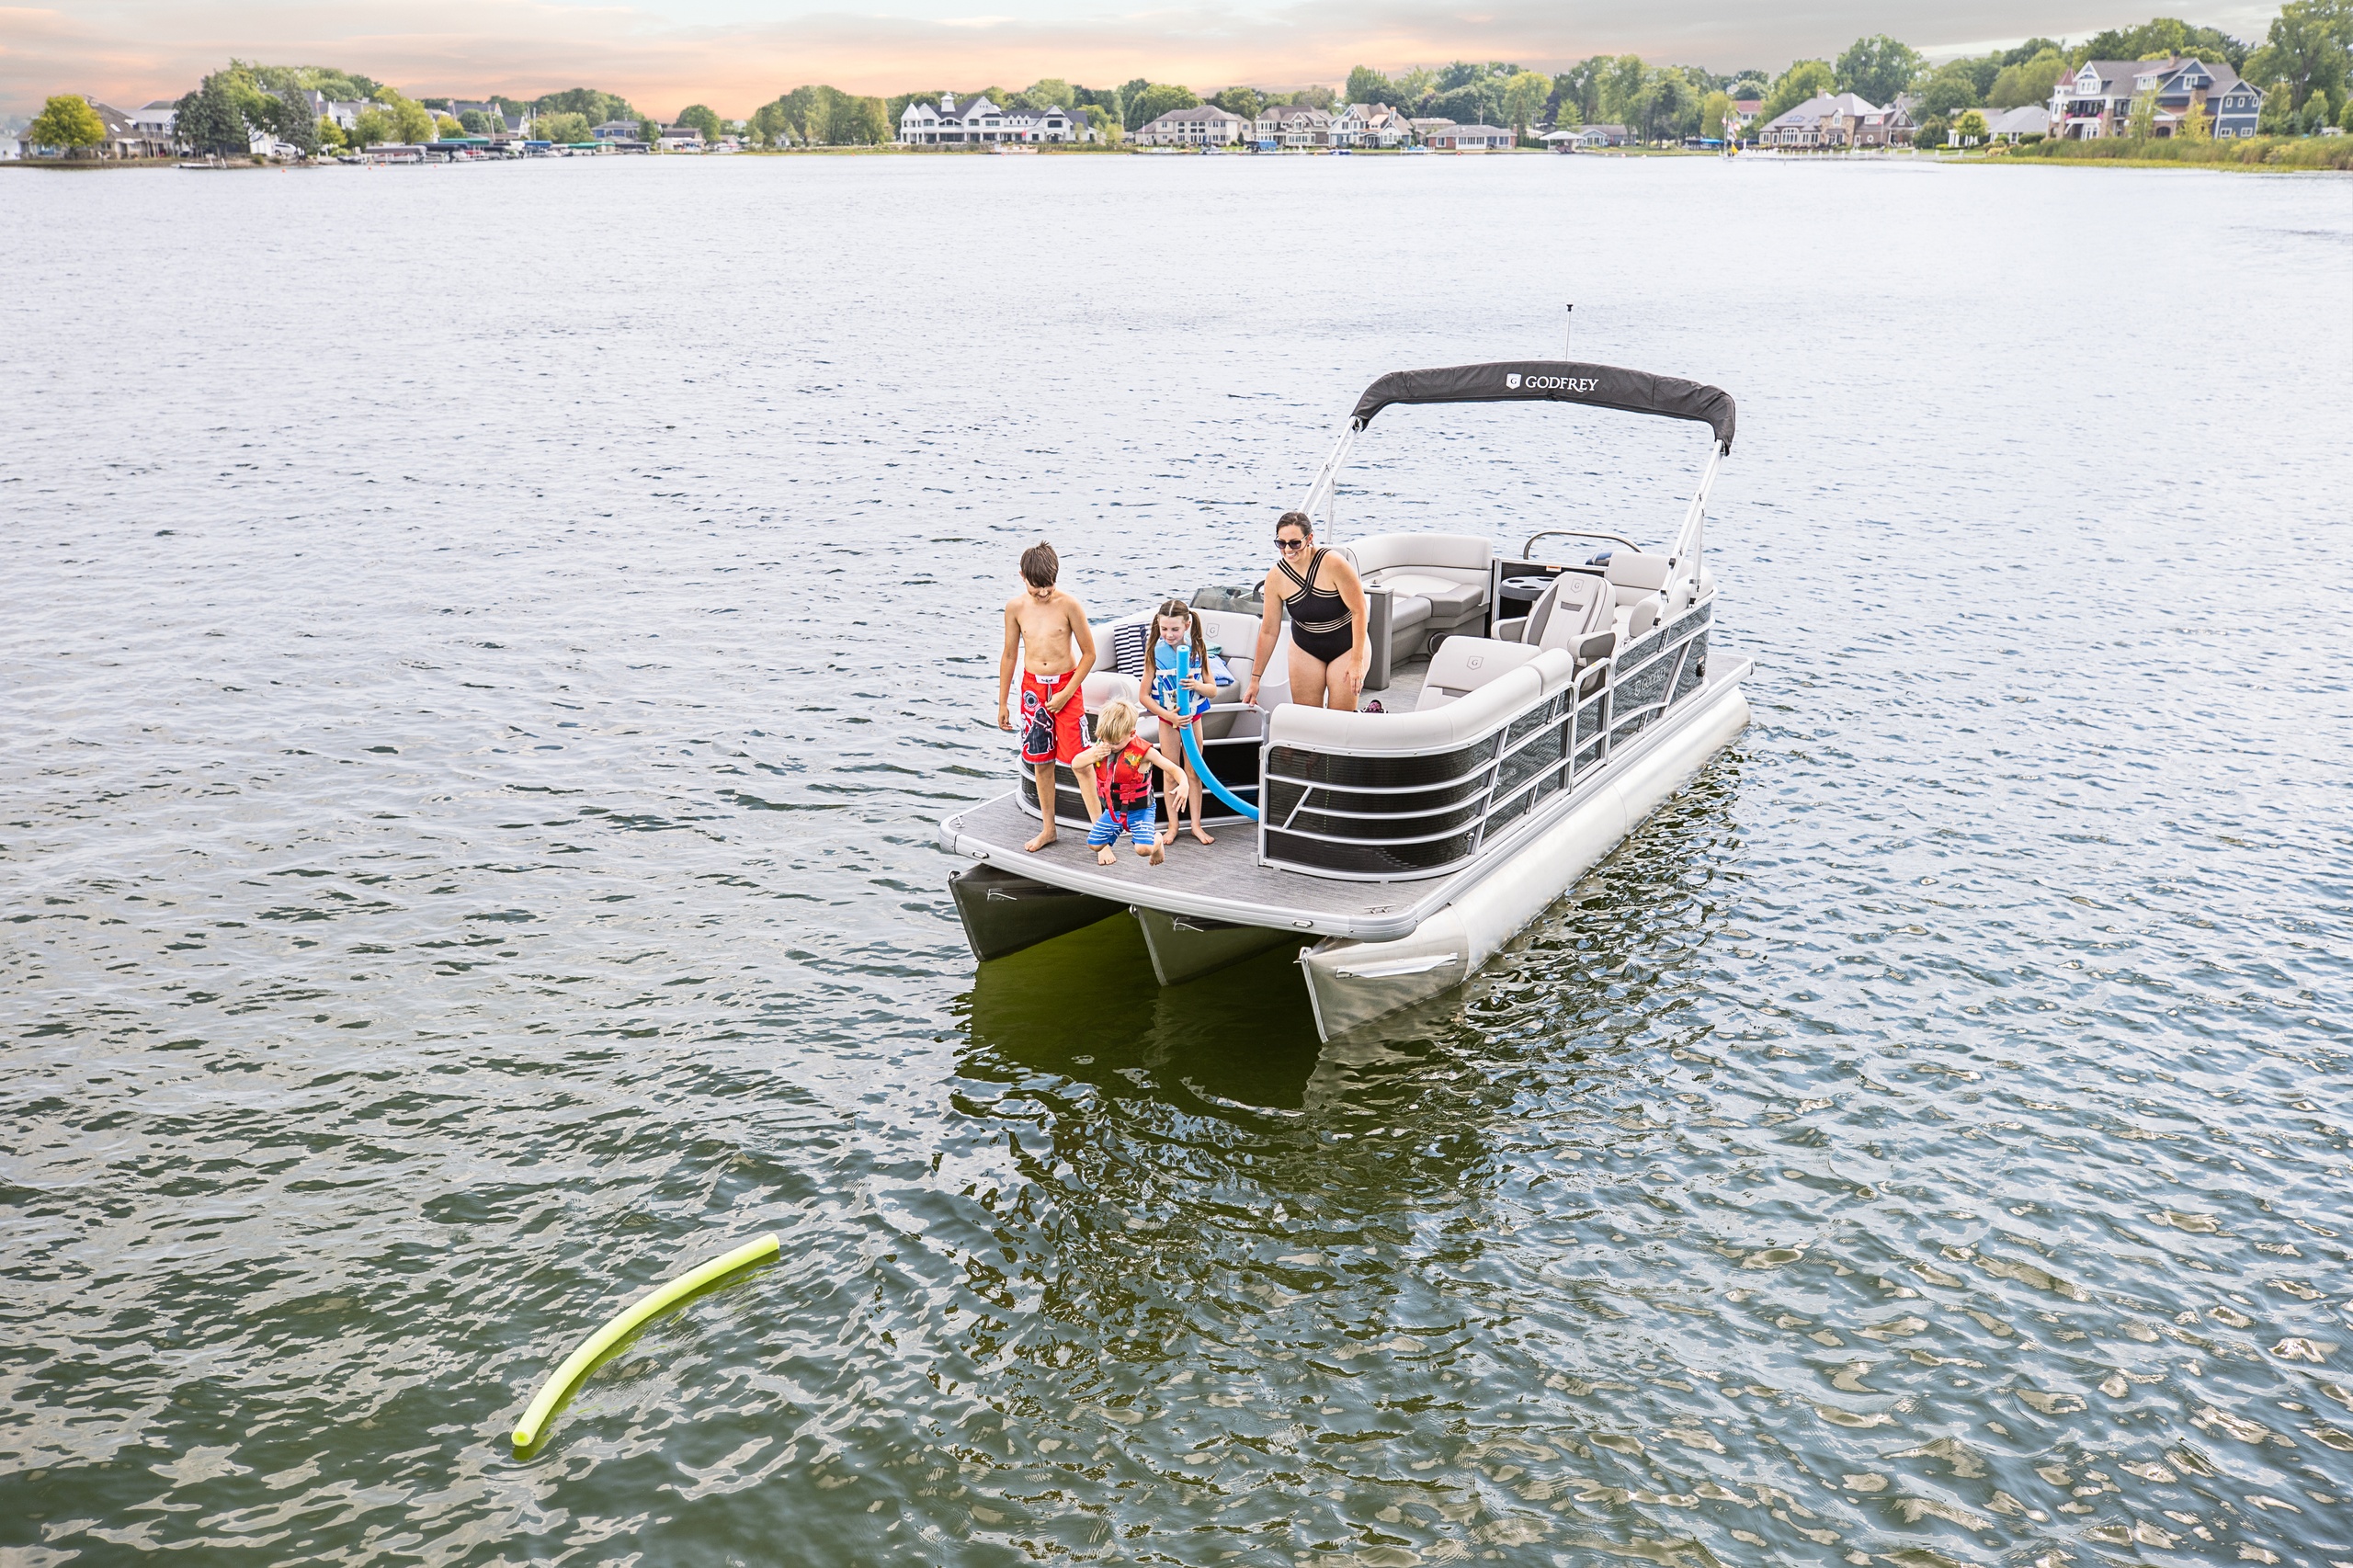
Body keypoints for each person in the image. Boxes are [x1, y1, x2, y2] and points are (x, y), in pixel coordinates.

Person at [996, 541, 1097, 852]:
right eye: (1036, 587)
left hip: (1067, 685)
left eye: (1049, 586)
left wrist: (1067, 693)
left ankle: (1101, 835)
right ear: (1022, 576)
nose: (1043, 593)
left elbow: (1090, 655)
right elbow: (1010, 654)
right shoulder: (1015, 608)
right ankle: (1049, 829)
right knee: (1041, 762)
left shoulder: (1069, 605)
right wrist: (1002, 702)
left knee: (1081, 762)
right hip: (1032, 690)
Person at [1244, 511, 1370, 714]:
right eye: (1281, 543)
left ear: (1309, 538)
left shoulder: (1333, 563)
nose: (1287, 550)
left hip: (1346, 646)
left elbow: (1360, 610)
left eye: (1294, 543)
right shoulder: (1275, 578)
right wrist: (1255, 680)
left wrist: (1357, 660)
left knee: (1340, 719)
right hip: (1305, 648)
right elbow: (1268, 631)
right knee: (1308, 720)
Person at [1140, 598, 1222, 847]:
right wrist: (1170, 717)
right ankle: (1173, 825)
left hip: (1193, 719)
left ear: (1187, 625)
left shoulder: (1198, 649)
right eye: (1164, 629)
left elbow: (1213, 690)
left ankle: (1196, 824)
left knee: (1193, 771)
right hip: (1169, 721)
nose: (1169, 634)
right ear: (1158, 625)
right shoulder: (1155, 651)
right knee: (1170, 772)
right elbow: (1144, 695)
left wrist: (1197, 685)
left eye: (1175, 629)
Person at [1070, 699, 1185, 867]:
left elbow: (1174, 769)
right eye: (1104, 740)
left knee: (1143, 850)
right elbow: (1076, 763)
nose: (1109, 746)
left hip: (1139, 810)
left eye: (1115, 743)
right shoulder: (1102, 746)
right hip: (1114, 809)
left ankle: (1157, 841)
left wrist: (1184, 784)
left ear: (1132, 734)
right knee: (1094, 845)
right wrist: (1092, 756)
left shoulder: (1145, 753)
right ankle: (1116, 829)